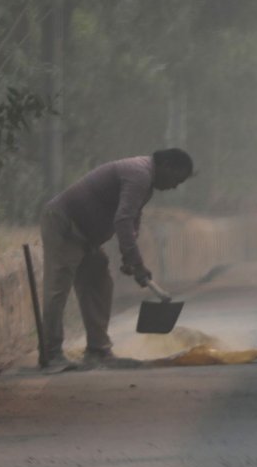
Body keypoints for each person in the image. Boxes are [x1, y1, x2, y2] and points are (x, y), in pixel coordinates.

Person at [39, 148, 193, 370]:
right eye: (177, 179)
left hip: (87, 235)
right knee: (58, 288)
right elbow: (123, 219)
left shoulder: (145, 181)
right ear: (166, 165)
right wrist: (136, 262)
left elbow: (133, 218)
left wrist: (130, 258)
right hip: (65, 224)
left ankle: (98, 350)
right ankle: (51, 354)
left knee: (99, 282)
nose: (175, 186)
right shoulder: (139, 174)